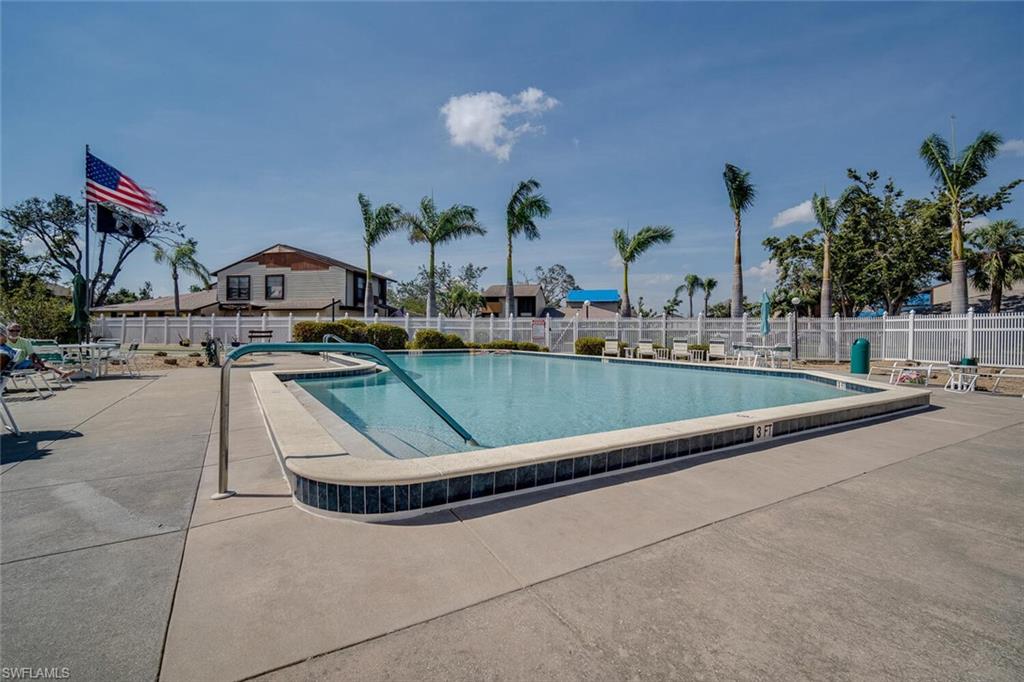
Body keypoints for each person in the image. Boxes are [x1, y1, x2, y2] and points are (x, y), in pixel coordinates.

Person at [4, 324, 75, 378]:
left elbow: (32, 354)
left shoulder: (25, 342)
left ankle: (61, 372)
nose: (14, 332)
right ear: (7, 331)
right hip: (6, 365)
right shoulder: (3, 341)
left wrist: (38, 362)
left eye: (17, 331)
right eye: (12, 330)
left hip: (21, 363)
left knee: (42, 361)